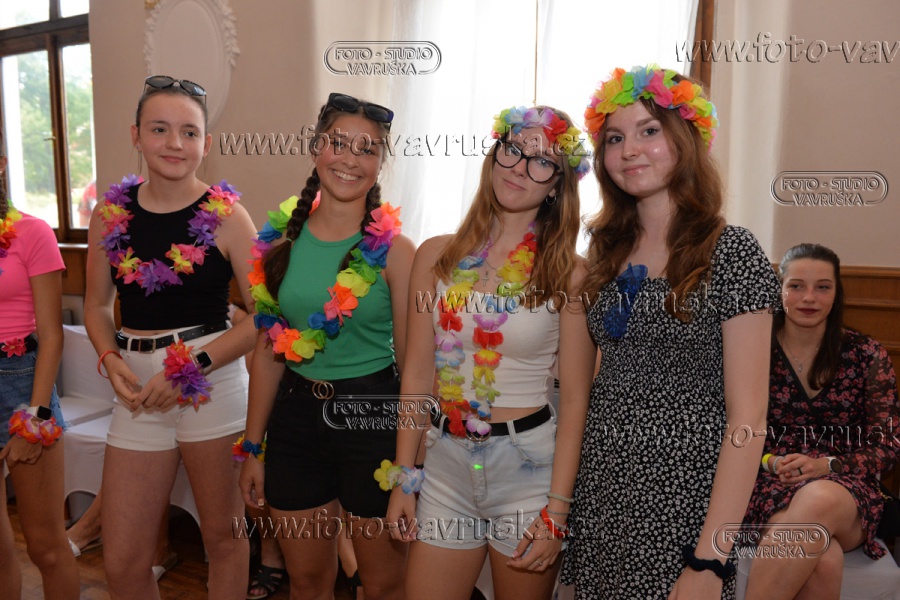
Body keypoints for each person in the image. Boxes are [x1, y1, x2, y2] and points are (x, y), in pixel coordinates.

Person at [561, 65, 782, 599]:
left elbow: (749, 419)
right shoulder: (605, 252)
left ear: (685, 139)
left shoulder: (732, 251)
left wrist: (709, 559)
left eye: (649, 131)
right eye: (615, 138)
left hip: (685, 506)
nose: (629, 150)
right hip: (603, 496)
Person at [386, 105, 596, 600]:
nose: (520, 167)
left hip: (528, 471)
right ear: (495, 155)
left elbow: (576, 400)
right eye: (513, 150)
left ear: (557, 185)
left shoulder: (570, 274)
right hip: (445, 464)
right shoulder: (436, 256)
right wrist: (403, 477)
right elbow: (416, 374)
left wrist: (557, 510)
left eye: (541, 162)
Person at [83, 75, 257, 599]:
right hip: (136, 394)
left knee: (223, 539)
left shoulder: (229, 217)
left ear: (206, 143)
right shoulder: (109, 216)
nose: (175, 143)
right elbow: (96, 306)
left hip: (210, 384)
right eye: (159, 129)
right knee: (123, 561)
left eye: (189, 132)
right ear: (136, 135)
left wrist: (191, 367)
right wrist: (110, 357)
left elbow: (263, 318)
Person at [238, 92, 416, 600]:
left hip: (373, 422)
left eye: (367, 149)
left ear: (380, 163)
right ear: (317, 147)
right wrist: (254, 447)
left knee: (382, 586)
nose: (349, 160)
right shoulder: (279, 243)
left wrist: (408, 470)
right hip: (295, 423)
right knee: (308, 581)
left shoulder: (396, 253)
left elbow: (414, 369)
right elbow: (269, 352)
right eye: (338, 143)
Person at [743, 243, 900, 599]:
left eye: (823, 287)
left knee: (818, 499)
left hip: (845, 487)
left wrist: (826, 465)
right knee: (824, 559)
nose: (809, 297)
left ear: (836, 292)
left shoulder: (865, 354)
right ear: (779, 290)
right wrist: (771, 462)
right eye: (796, 285)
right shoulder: (754, 350)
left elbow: (888, 445)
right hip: (771, 482)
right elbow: (734, 430)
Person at [0, 135, 79, 599]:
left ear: (2, 164)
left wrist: (36, 419)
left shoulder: (32, 232)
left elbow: (52, 336)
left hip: (22, 383)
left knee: (46, 548)